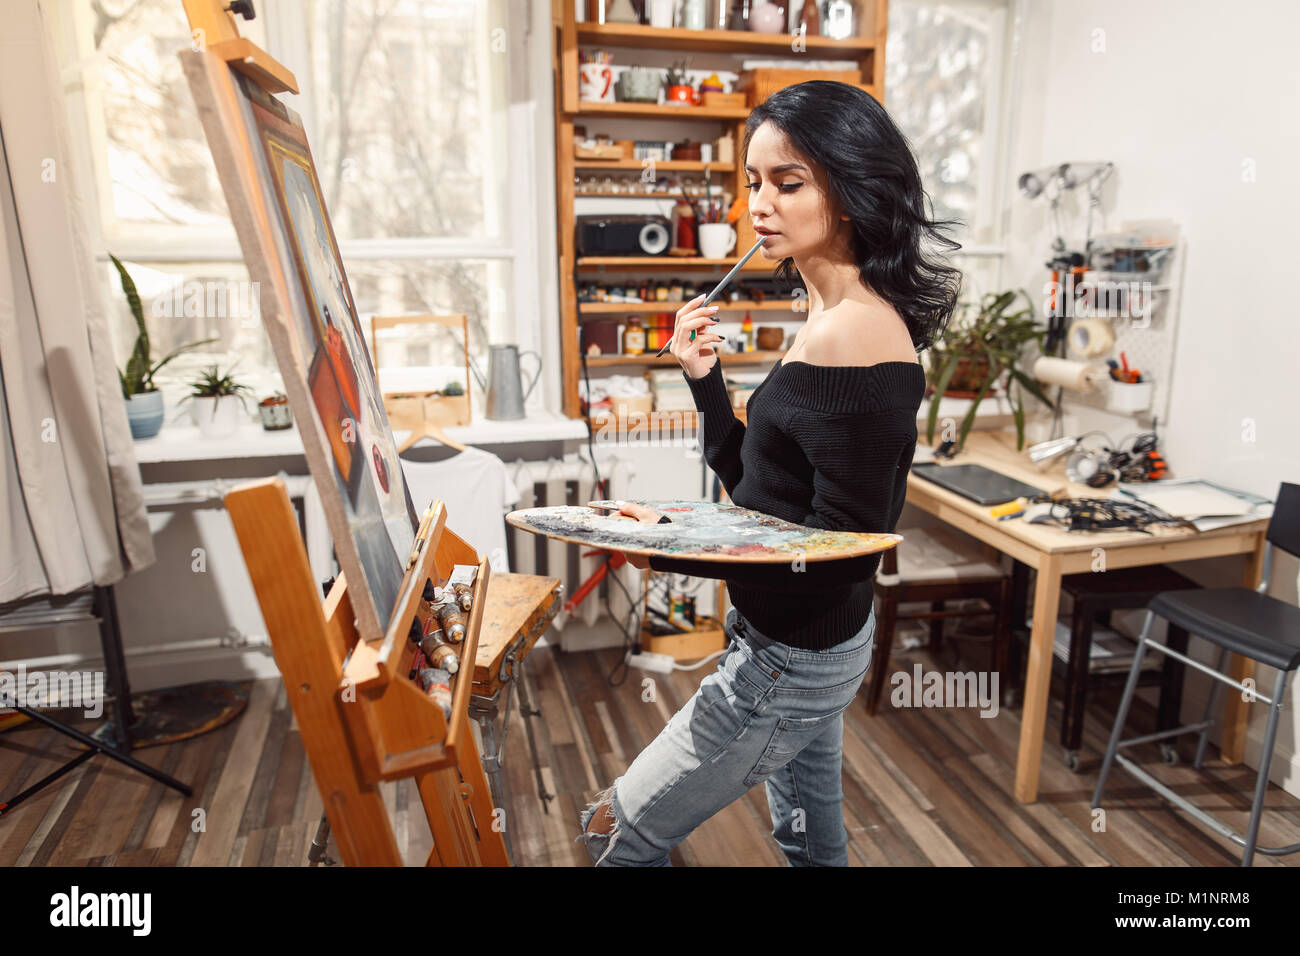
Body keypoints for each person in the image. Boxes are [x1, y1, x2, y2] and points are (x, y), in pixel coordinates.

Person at [576, 81, 962, 867]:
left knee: (619, 834)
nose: (759, 203)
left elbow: (838, 553)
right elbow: (752, 483)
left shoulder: (854, 336)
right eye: (753, 181)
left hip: (793, 655)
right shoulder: (825, 318)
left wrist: (668, 548)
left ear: (851, 192)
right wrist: (703, 379)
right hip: (794, 640)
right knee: (814, 850)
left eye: (788, 183)